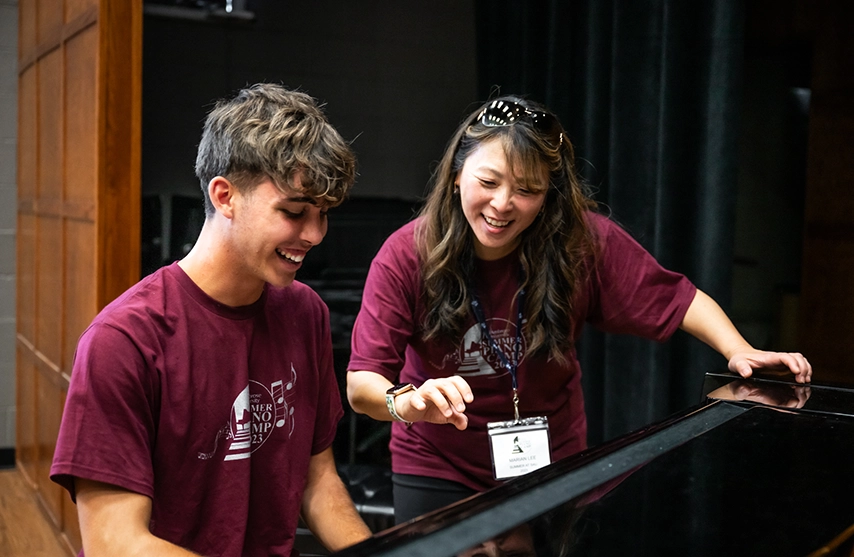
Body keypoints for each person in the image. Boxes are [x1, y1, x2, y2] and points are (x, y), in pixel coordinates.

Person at [346, 95, 812, 524]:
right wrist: (406, 402)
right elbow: (362, 384)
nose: (503, 204)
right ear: (455, 176)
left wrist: (739, 350)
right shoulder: (406, 254)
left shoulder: (580, 243)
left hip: (553, 458)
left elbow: (677, 297)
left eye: (527, 189)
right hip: (438, 464)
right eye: (488, 182)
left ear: (549, 193)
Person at [50, 84, 372, 556]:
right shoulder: (124, 341)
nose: (314, 235)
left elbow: (316, 478)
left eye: (323, 216)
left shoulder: (305, 313)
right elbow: (114, 542)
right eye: (294, 212)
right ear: (225, 196)